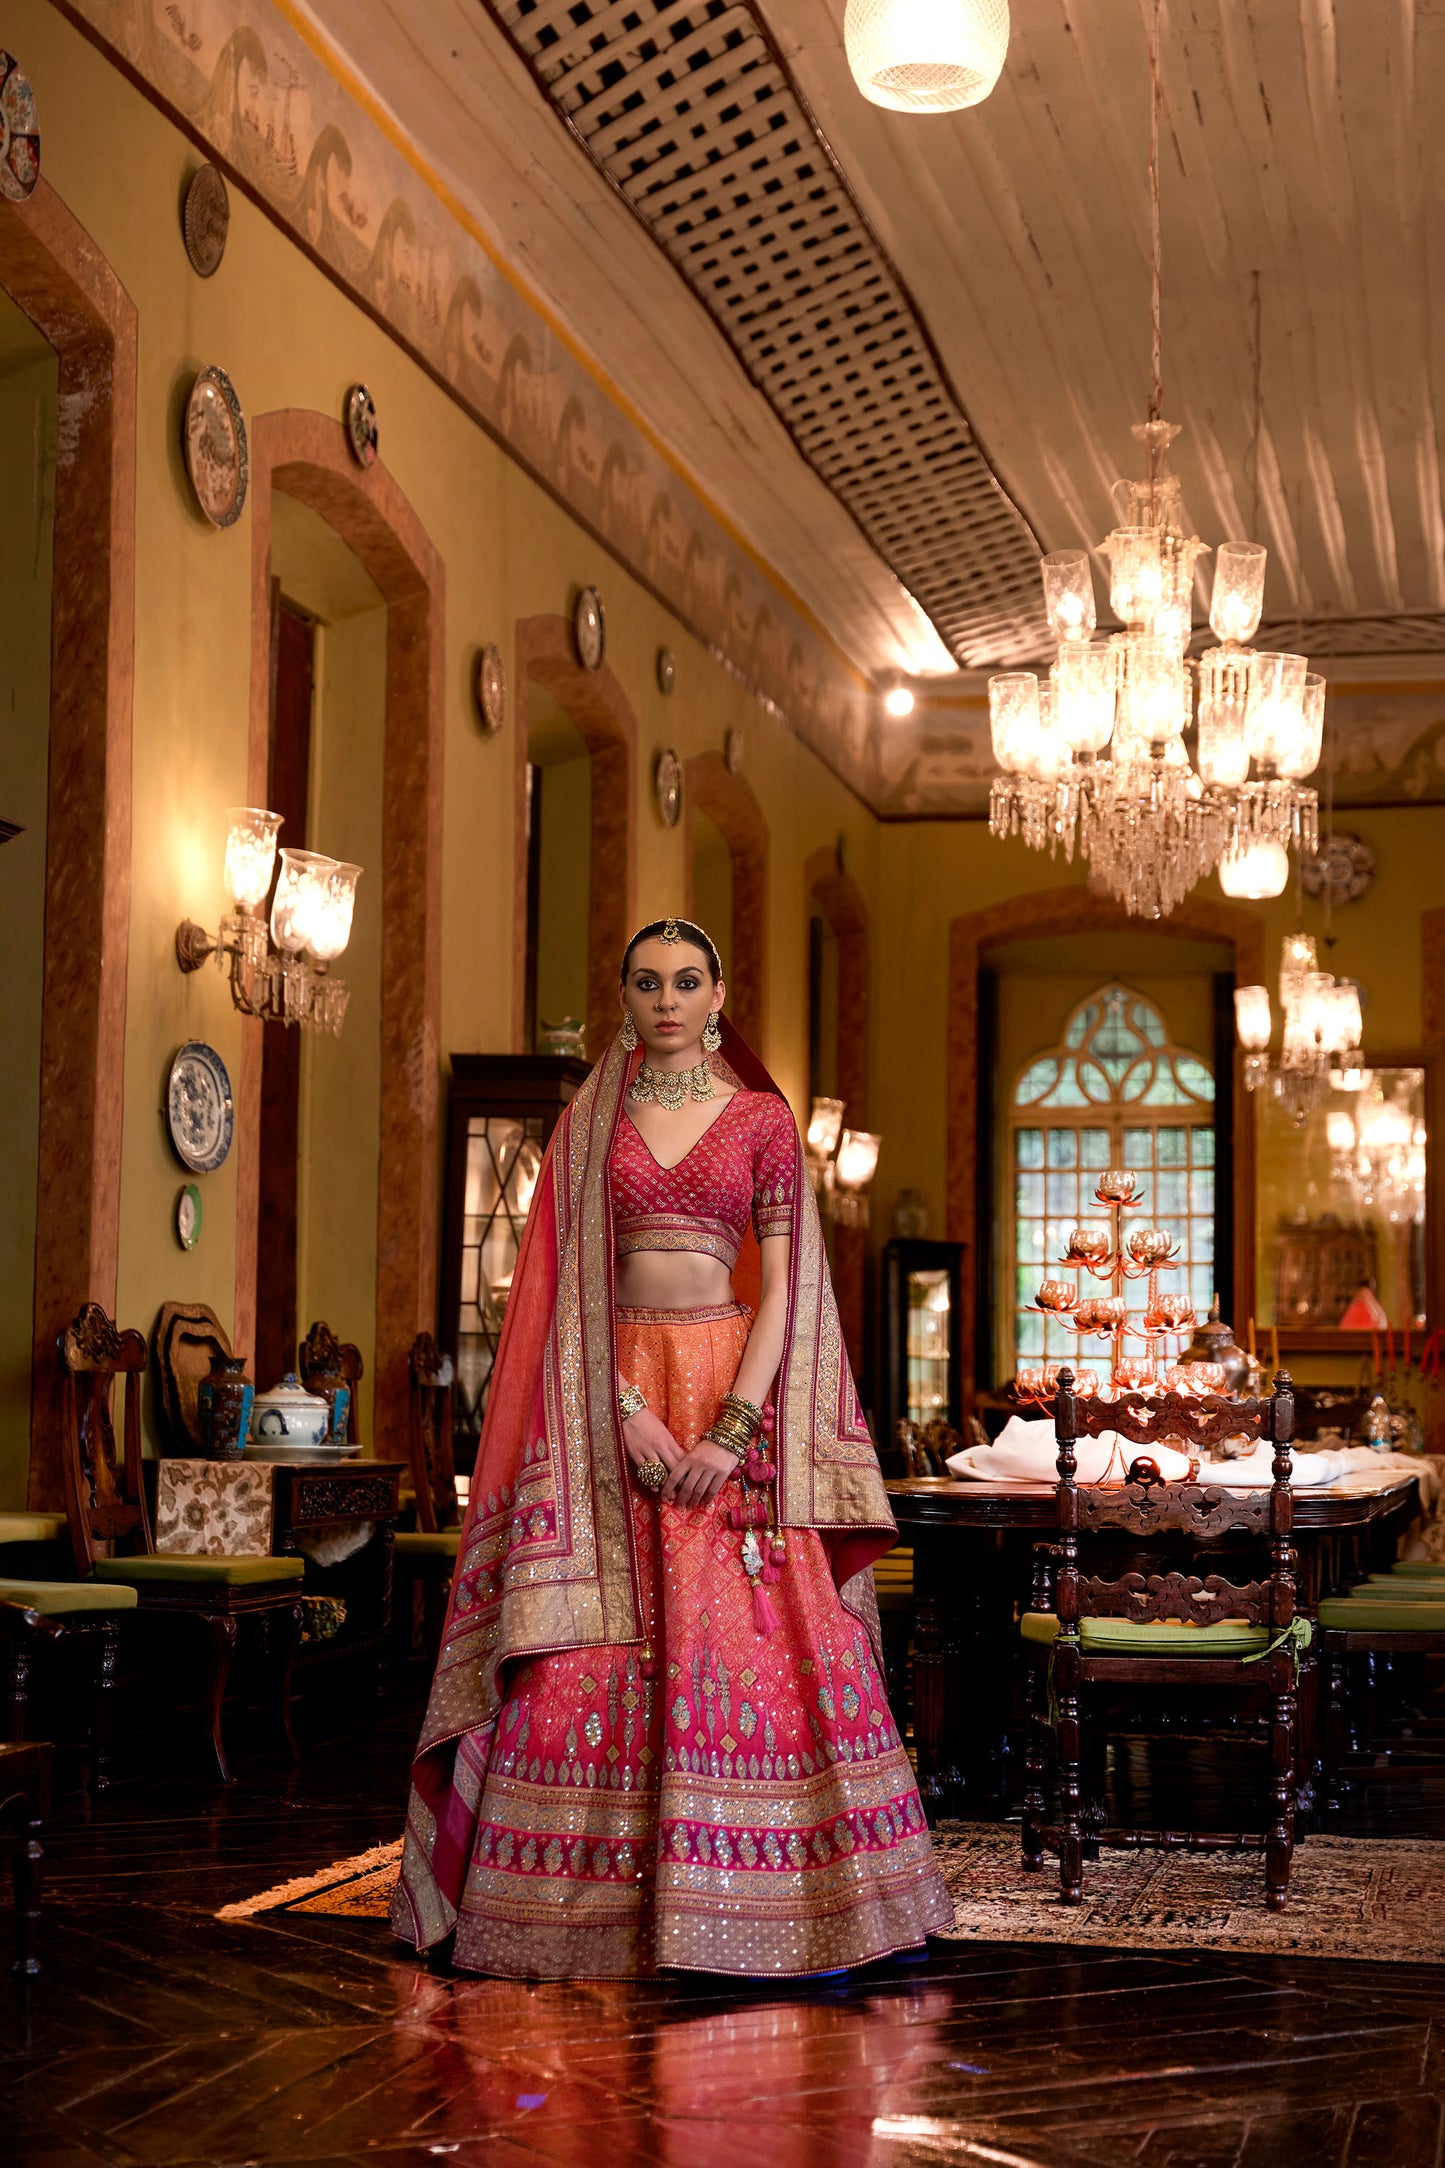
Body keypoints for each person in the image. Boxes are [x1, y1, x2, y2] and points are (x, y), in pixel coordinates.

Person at [391, 916, 950, 1977]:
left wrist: (736, 1425)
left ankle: (793, 1901)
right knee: (589, 1638)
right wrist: (622, 1407)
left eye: (685, 981)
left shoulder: (759, 1122)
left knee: (756, 1629)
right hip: (608, 1391)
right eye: (646, 982)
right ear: (623, 996)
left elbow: (787, 1285)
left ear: (717, 993)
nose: (666, 999)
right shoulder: (584, 1125)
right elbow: (553, 1290)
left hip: (732, 1380)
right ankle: (584, 1909)